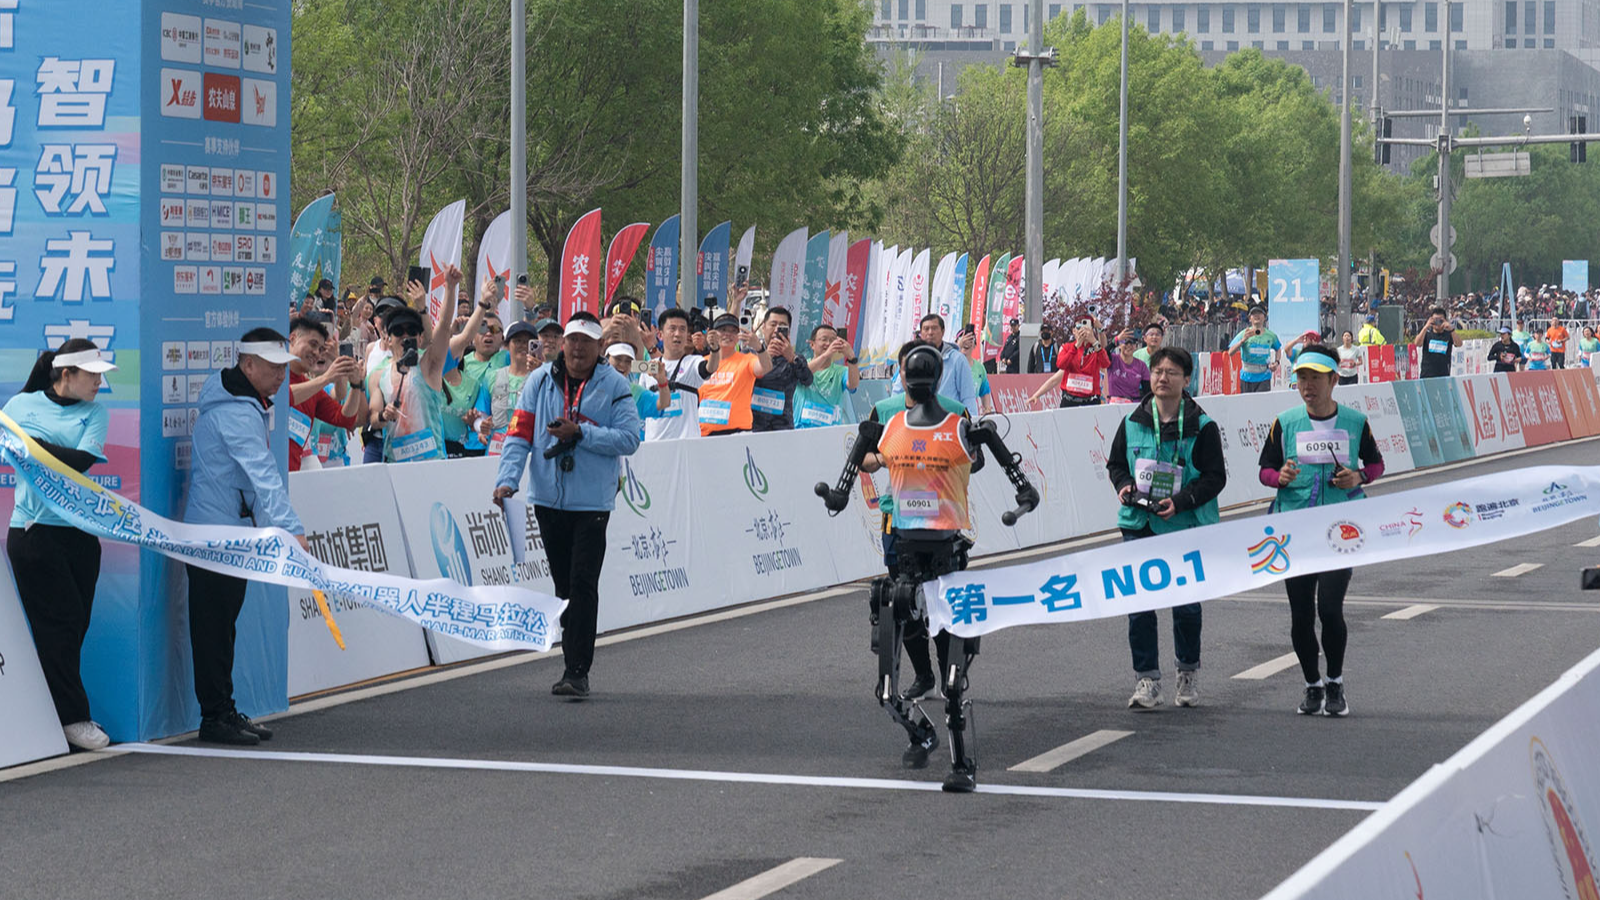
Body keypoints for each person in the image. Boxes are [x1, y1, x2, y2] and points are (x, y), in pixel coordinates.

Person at [492, 313, 642, 698]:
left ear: (599, 347)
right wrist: (507, 480)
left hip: (592, 503)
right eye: (572, 340)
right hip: (547, 499)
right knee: (563, 585)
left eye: (586, 342)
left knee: (582, 582)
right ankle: (571, 659)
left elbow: (629, 439)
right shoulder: (539, 380)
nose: (577, 348)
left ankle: (577, 670)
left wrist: (582, 433)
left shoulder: (615, 384)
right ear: (562, 344)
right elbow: (518, 433)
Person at [186, 330, 310, 744]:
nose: (281, 376)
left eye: (284, 368)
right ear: (248, 364)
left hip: (230, 535)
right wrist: (290, 528)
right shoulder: (236, 412)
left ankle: (223, 711)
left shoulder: (245, 404)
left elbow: (256, 482)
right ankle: (214, 717)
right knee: (214, 631)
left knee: (222, 629)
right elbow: (263, 475)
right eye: (273, 368)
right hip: (214, 537)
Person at [1257, 345, 1385, 718]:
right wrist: (1280, 477)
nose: (1307, 386)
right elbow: (1265, 470)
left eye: (1315, 378)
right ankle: (1312, 684)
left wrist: (1358, 476)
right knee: (1300, 614)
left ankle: (1335, 682)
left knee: (1330, 608)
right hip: (1294, 528)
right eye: (1301, 378)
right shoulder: (1285, 422)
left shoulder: (1355, 422)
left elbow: (1376, 464)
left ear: (1333, 380)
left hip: (1340, 529)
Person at [3, 340, 116, 750]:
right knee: (60, 624)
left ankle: (50, 715)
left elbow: (81, 461)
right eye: (92, 375)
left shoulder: (96, 413)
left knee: (73, 627)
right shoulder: (20, 407)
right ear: (66, 374)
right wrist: (38, 451)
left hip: (80, 534)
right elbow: (18, 450)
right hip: (34, 533)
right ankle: (72, 718)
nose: (99, 383)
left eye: (101, 375)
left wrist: (32, 447)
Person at [1104, 347, 1225, 711]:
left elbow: (1215, 478)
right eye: (1157, 371)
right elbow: (1115, 464)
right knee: (1139, 604)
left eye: (1171, 372)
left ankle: (1187, 671)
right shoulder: (1132, 421)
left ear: (1186, 379)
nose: (1162, 378)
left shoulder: (1203, 426)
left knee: (1185, 606)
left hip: (1184, 524)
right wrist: (1124, 485)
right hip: (1139, 522)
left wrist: (1183, 501)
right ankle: (1147, 679)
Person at [369, 269, 460, 462]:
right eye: (398, 331)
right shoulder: (378, 375)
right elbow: (374, 419)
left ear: (420, 338)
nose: (405, 335)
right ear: (388, 338)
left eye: (411, 330)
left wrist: (450, 288)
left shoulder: (429, 364)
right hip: (395, 464)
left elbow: (444, 326)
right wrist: (384, 415)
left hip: (431, 464)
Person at [286, 316, 364, 472]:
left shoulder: (313, 391)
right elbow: (282, 397)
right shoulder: (272, 373)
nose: (316, 353)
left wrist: (356, 385)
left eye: (321, 349)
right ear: (292, 339)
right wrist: (326, 378)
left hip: (293, 476)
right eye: (313, 344)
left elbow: (345, 419)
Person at [699, 311, 773, 436]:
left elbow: (766, 367)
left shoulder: (747, 360)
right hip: (705, 433)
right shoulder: (702, 363)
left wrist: (759, 348)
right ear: (712, 333)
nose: (728, 334)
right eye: (723, 330)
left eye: (733, 331)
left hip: (738, 433)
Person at [643, 308, 709, 441]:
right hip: (654, 444)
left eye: (682, 329)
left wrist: (715, 349)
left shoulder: (693, 362)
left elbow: (709, 368)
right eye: (672, 329)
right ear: (660, 334)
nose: (677, 334)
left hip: (687, 445)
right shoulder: (649, 367)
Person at [896, 314, 979, 416]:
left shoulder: (958, 360)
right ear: (921, 333)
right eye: (926, 329)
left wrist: (971, 419)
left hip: (948, 418)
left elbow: (968, 396)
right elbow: (898, 391)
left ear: (943, 331)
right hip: (913, 418)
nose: (930, 332)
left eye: (934, 328)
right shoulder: (910, 358)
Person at [750, 306, 814, 432]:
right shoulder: (750, 354)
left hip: (782, 427)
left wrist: (792, 358)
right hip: (753, 425)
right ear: (763, 327)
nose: (776, 330)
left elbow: (808, 380)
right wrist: (765, 356)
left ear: (788, 331)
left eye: (782, 326)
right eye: (773, 324)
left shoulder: (795, 358)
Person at [482, 321, 538, 452]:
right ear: (507, 345)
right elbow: (482, 413)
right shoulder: (492, 377)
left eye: (528, 342)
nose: (523, 345)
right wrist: (482, 427)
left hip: (528, 449)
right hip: (495, 451)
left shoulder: (541, 379)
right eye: (517, 341)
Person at [1026, 316, 1106, 408]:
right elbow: (1054, 379)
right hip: (1070, 402)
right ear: (1074, 331)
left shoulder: (1094, 350)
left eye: (1086, 328)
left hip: (1090, 402)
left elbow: (1103, 348)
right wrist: (1036, 395)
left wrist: (1100, 329)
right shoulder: (1068, 349)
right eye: (1078, 328)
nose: (1082, 331)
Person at [794, 324, 860, 428]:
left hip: (829, 432)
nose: (828, 343)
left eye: (833, 340)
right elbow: (803, 373)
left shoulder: (840, 371)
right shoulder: (801, 366)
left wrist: (851, 357)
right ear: (812, 344)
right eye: (824, 339)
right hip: (800, 430)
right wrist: (826, 355)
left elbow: (853, 384)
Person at [606, 342, 671, 433]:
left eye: (628, 361)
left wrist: (662, 381)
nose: (622, 364)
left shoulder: (634, 392)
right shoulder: (591, 385)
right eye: (618, 358)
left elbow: (663, 404)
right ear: (606, 359)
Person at [1227, 305, 1281, 393]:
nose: (1256, 316)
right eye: (1253, 314)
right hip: (1246, 377)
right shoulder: (1244, 334)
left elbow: (1278, 349)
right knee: (1247, 402)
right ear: (1249, 318)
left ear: (1265, 317)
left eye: (1259, 313)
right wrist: (1242, 341)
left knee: (1261, 401)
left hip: (1264, 377)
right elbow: (1230, 352)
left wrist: (1276, 362)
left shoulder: (1271, 336)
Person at [1412, 307, 1460, 378]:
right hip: (1427, 375)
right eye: (1435, 320)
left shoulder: (1448, 334)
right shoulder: (1427, 334)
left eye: (1440, 320)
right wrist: (1425, 327)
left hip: (1443, 375)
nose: (1437, 323)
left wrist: (1451, 329)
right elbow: (1417, 343)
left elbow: (1459, 344)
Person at [957, 327, 995, 415]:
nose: (966, 342)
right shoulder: (951, 364)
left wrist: (987, 409)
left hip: (971, 416)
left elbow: (984, 391)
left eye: (970, 339)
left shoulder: (980, 368)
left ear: (974, 345)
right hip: (953, 416)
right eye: (963, 338)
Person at [1105, 328, 1149, 403]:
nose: (1128, 345)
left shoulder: (1141, 365)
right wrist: (1115, 340)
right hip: (1114, 404)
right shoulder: (1112, 359)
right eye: (1125, 341)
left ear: (1136, 346)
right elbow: (1102, 353)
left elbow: (1147, 390)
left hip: (1133, 404)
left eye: (1132, 342)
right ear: (1119, 345)